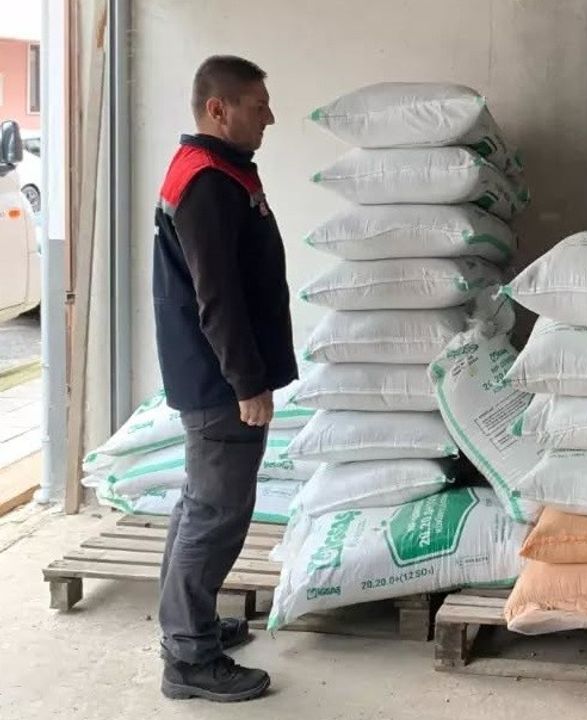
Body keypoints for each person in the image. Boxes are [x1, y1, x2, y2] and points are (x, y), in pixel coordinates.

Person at [153, 55, 295, 703]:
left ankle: (191, 628)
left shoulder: (216, 169)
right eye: (258, 105)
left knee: (199, 506)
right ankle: (188, 657)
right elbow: (219, 299)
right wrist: (247, 383)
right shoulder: (208, 181)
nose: (270, 117)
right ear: (219, 109)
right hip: (219, 382)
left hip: (210, 374)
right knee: (215, 514)